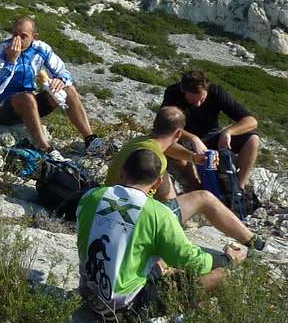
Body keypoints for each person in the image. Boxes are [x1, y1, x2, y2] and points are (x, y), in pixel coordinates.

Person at [77, 148, 246, 318]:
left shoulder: (92, 196)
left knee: (161, 259)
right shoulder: (158, 213)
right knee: (223, 275)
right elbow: (189, 260)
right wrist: (227, 260)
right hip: (124, 309)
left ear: (122, 172)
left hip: (86, 296)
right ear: (157, 184)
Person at [104, 106, 264, 251]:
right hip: (132, 222)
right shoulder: (156, 160)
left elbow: (168, 146)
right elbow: (168, 200)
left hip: (110, 210)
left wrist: (193, 158)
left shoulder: (141, 144)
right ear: (179, 133)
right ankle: (253, 242)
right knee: (205, 198)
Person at [0, 16, 104, 159]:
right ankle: (46, 149)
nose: (17, 40)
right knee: (27, 97)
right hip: (2, 108)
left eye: (23, 36)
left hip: (28, 106)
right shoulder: (0, 51)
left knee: (69, 90)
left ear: (34, 37)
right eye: (15, 35)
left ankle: (91, 140)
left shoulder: (41, 48)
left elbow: (63, 71)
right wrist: (11, 61)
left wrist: (61, 80)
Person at [161, 69, 261, 190]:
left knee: (253, 139)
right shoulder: (173, 93)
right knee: (169, 146)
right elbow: (167, 126)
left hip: (213, 137)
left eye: (202, 100)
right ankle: (196, 187)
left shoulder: (216, 92)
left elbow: (251, 121)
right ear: (183, 91)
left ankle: (239, 186)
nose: (198, 104)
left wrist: (228, 132)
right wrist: (193, 138)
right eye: (192, 100)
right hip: (184, 140)